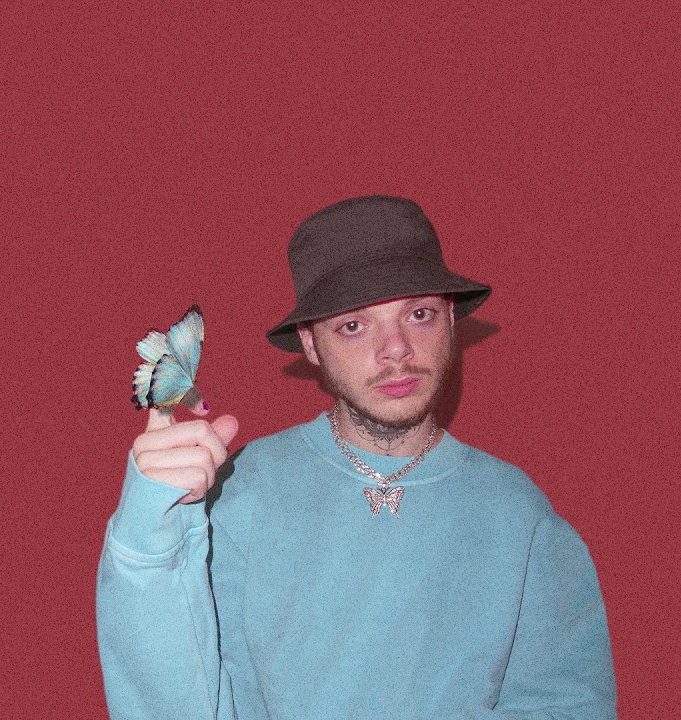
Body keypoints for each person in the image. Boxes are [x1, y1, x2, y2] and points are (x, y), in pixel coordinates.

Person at [96, 196, 617, 719]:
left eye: (419, 314)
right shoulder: (236, 493)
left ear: (451, 321)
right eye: (353, 325)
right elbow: (176, 701)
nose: (395, 348)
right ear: (311, 345)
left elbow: (566, 706)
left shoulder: (518, 514)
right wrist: (145, 541)